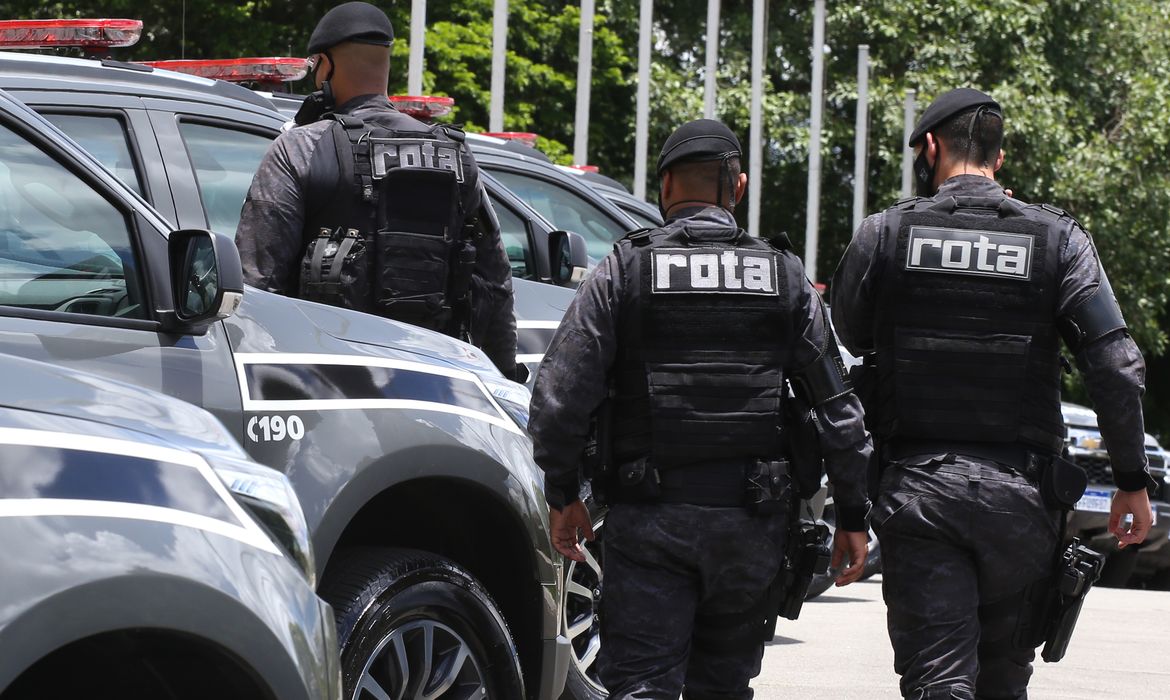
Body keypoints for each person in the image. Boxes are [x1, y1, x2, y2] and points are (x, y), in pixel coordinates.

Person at [529, 119, 873, 699]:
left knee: (641, 686)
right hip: (751, 527)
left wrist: (564, 495)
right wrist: (854, 516)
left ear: (665, 186)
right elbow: (838, 410)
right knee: (724, 686)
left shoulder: (626, 268)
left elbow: (558, 400)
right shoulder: (785, 276)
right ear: (737, 187)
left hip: (649, 520)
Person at [832, 87, 1155, 699]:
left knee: (938, 681)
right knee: (1003, 681)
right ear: (998, 158)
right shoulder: (1059, 239)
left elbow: (846, 333)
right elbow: (1114, 365)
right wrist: (1131, 480)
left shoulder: (885, 233)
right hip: (1022, 500)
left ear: (931, 149)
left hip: (919, 494)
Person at [235, 1, 519, 379]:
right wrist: (504, 377)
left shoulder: (301, 147)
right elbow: (495, 281)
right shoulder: (454, 154)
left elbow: (258, 280)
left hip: (328, 376)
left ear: (326, 66)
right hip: (434, 377)